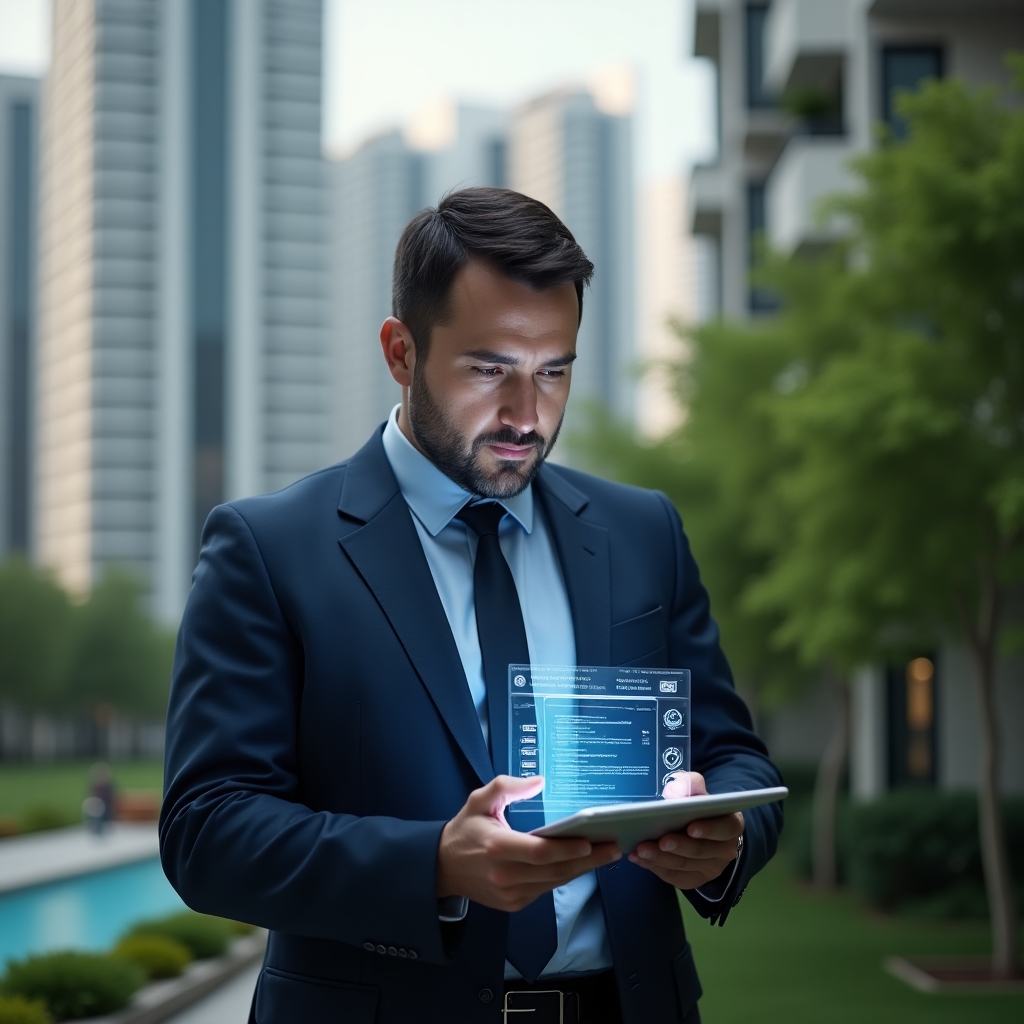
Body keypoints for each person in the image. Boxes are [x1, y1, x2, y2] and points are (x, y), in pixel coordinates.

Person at [160, 188, 782, 1024]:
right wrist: (435, 865)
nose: (527, 415)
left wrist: (723, 844)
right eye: (490, 370)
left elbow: (737, 759)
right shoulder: (270, 549)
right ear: (401, 352)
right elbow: (206, 830)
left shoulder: (643, 534)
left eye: (553, 371)